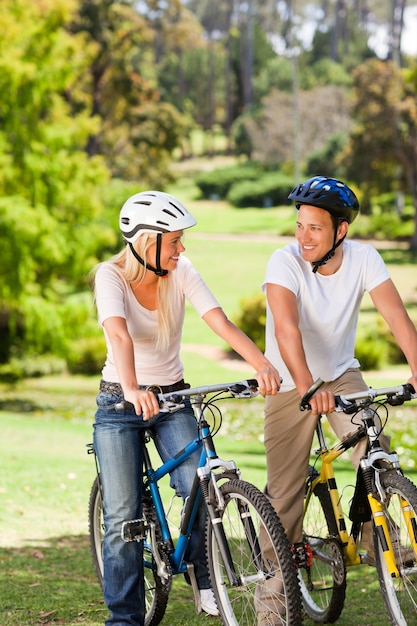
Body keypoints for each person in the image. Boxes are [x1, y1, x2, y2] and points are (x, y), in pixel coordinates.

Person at [91, 190, 281, 626]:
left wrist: (261, 364)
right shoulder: (110, 276)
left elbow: (219, 320)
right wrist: (134, 388)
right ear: (145, 242)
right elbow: (118, 337)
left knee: (198, 482)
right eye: (174, 241)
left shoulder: (181, 271)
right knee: (123, 516)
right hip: (122, 400)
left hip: (174, 396)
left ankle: (206, 578)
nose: (182, 249)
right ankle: (124, 620)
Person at [259, 175, 417, 623]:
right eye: (300, 225)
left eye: (315, 228)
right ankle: (271, 605)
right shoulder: (283, 262)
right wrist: (309, 386)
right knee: (284, 499)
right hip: (295, 383)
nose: (303, 236)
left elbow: (397, 317)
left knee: (375, 451)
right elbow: (287, 329)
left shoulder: (364, 258)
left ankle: (372, 536)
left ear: (340, 231)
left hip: (342, 376)